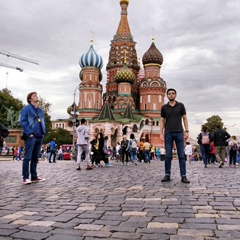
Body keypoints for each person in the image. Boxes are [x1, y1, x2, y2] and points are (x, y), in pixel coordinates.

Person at [160, 88, 190, 183]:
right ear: (167, 95)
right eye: (169, 94)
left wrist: (186, 131)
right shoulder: (164, 107)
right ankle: (167, 174)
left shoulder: (180, 106)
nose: (171, 95)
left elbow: (185, 118)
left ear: (175, 95)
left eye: (173, 93)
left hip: (179, 132)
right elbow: (162, 121)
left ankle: (183, 175)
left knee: (181, 155)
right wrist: (161, 133)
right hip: (168, 133)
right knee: (168, 155)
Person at [20, 91, 46, 184]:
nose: (36, 96)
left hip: (39, 136)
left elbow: (42, 121)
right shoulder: (26, 109)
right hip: (31, 136)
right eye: (34, 96)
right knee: (27, 157)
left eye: (36, 95)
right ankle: (25, 177)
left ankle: (34, 176)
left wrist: (43, 132)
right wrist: (29, 132)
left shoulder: (39, 110)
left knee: (35, 157)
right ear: (30, 99)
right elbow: (23, 121)